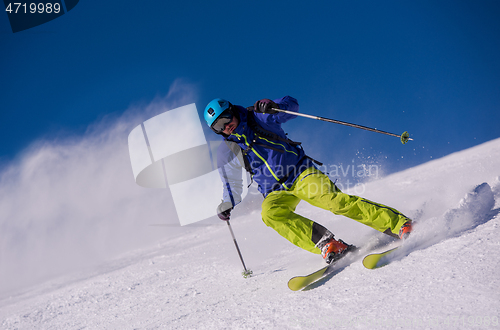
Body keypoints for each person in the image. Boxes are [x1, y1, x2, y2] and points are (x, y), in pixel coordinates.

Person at [204, 96, 412, 264]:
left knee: (334, 201)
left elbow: (292, 106)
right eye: (218, 127)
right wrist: (227, 203)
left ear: (233, 111)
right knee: (270, 214)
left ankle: (399, 225)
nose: (226, 127)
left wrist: (275, 106)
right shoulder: (228, 150)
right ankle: (328, 244)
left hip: (300, 173)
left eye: (226, 119)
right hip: (275, 191)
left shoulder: (258, 117)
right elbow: (231, 182)